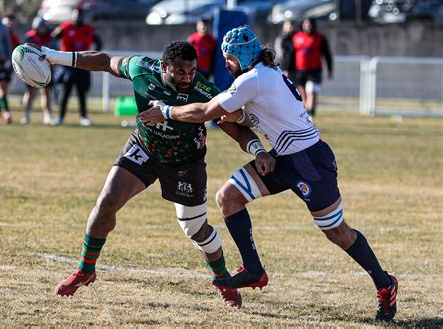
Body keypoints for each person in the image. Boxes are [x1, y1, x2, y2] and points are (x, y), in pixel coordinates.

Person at [137, 26, 399, 323]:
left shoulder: (253, 79)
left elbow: (205, 112)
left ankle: (384, 283)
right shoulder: (265, 73)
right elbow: (255, 115)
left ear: (239, 56)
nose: (225, 64)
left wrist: (166, 111)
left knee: (337, 232)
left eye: (228, 59)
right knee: (228, 197)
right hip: (282, 158)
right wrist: (249, 133)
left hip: (309, 162)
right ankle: (253, 270)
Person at [31, 40, 268, 308]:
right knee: (106, 203)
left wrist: (258, 150)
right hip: (144, 148)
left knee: (196, 230)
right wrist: (53, 56)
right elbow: (104, 61)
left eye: (191, 72)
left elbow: (232, 126)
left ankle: (222, 278)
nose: (187, 78)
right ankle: (86, 270)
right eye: (181, 73)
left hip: (185, 163)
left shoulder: (204, 90)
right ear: (165, 67)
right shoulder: (141, 68)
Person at [51, 8, 102, 126]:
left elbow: (99, 42)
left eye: (80, 15)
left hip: (83, 64)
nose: (78, 17)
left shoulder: (88, 29)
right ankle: (60, 117)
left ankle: (84, 117)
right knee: (65, 92)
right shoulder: (65, 27)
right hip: (68, 65)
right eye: (76, 15)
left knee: (81, 93)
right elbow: (53, 38)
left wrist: (93, 55)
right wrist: (56, 54)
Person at [292, 18, 333, 118]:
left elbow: (327, 54)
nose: (308, 26)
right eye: (306, 24)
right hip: (300, 71)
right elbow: (291, 55)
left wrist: (330, 69)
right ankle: (307, 116)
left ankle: (310, 118)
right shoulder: (296, 37)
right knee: (303, 97)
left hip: (314, 71)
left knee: (311, 93)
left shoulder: (319, 38)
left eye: (310, 24)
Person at [20, 17, 54, 125]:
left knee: (46, 92)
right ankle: (26, 115)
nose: (42, 29)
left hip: (47, 69)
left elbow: (54, 51)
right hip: (32, 69)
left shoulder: (50, 37)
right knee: (31, 93)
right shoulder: (30, 37)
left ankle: (47, 115)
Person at [0, 12, 21, 124]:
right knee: (1, 88)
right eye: (7, 22)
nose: (9, 25)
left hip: (9, 66)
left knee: (3, 90)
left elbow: (19, 51)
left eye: (11, 22)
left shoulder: (14, 37)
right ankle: (6, 113)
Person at [274, 20, 297, 84]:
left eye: (291, 25)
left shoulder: (296, 37)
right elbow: (281, 56)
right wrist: (285, 68)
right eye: (288, 25)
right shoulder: (281, 39)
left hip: (296, 69)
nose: (290, 27)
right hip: (286, 68)